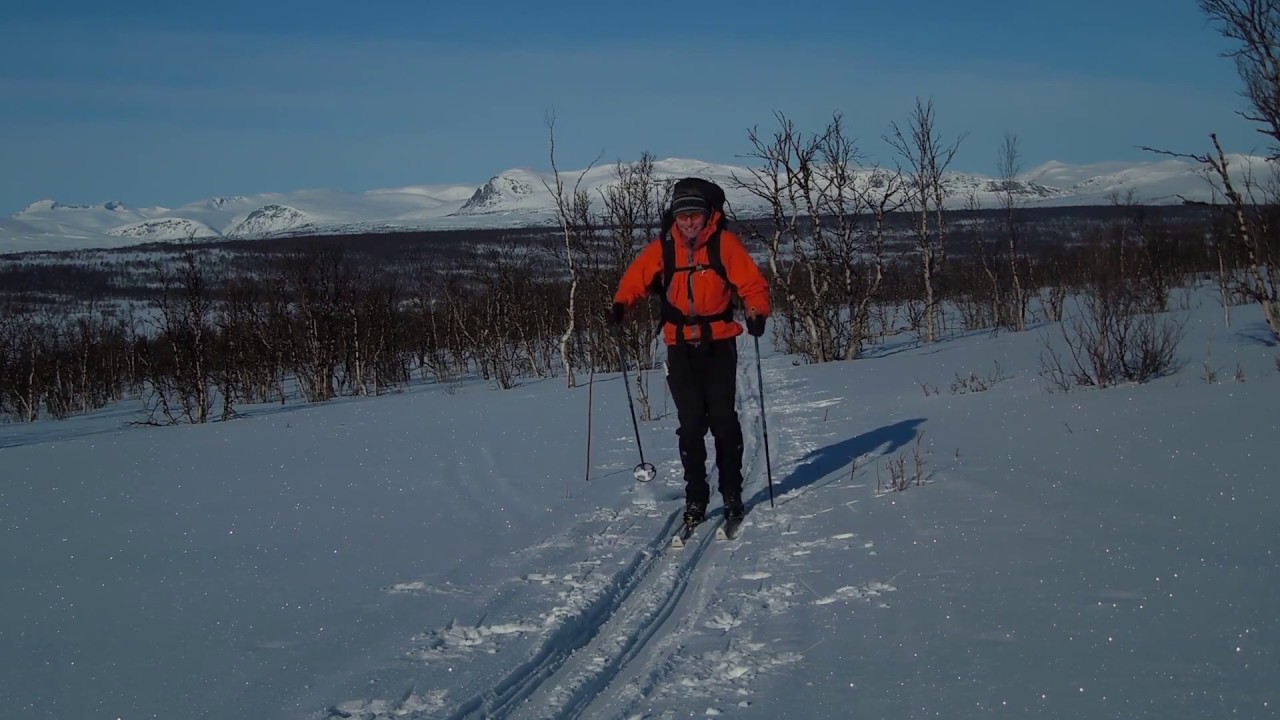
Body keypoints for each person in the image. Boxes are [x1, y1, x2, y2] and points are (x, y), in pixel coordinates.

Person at [607, 178, 770, 528]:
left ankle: (731, 493)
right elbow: (635, 279)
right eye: (682, 216)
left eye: (694, 214)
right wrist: (621, 305)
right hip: (679, 346)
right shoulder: (663, 248)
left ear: (708, 214)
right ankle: (696, 495)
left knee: (724, 422)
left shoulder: (724, 244)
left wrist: (757, 311)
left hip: (719, 343)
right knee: (691, 425)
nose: (688, 222)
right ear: (674, 217)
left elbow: (751, 283)